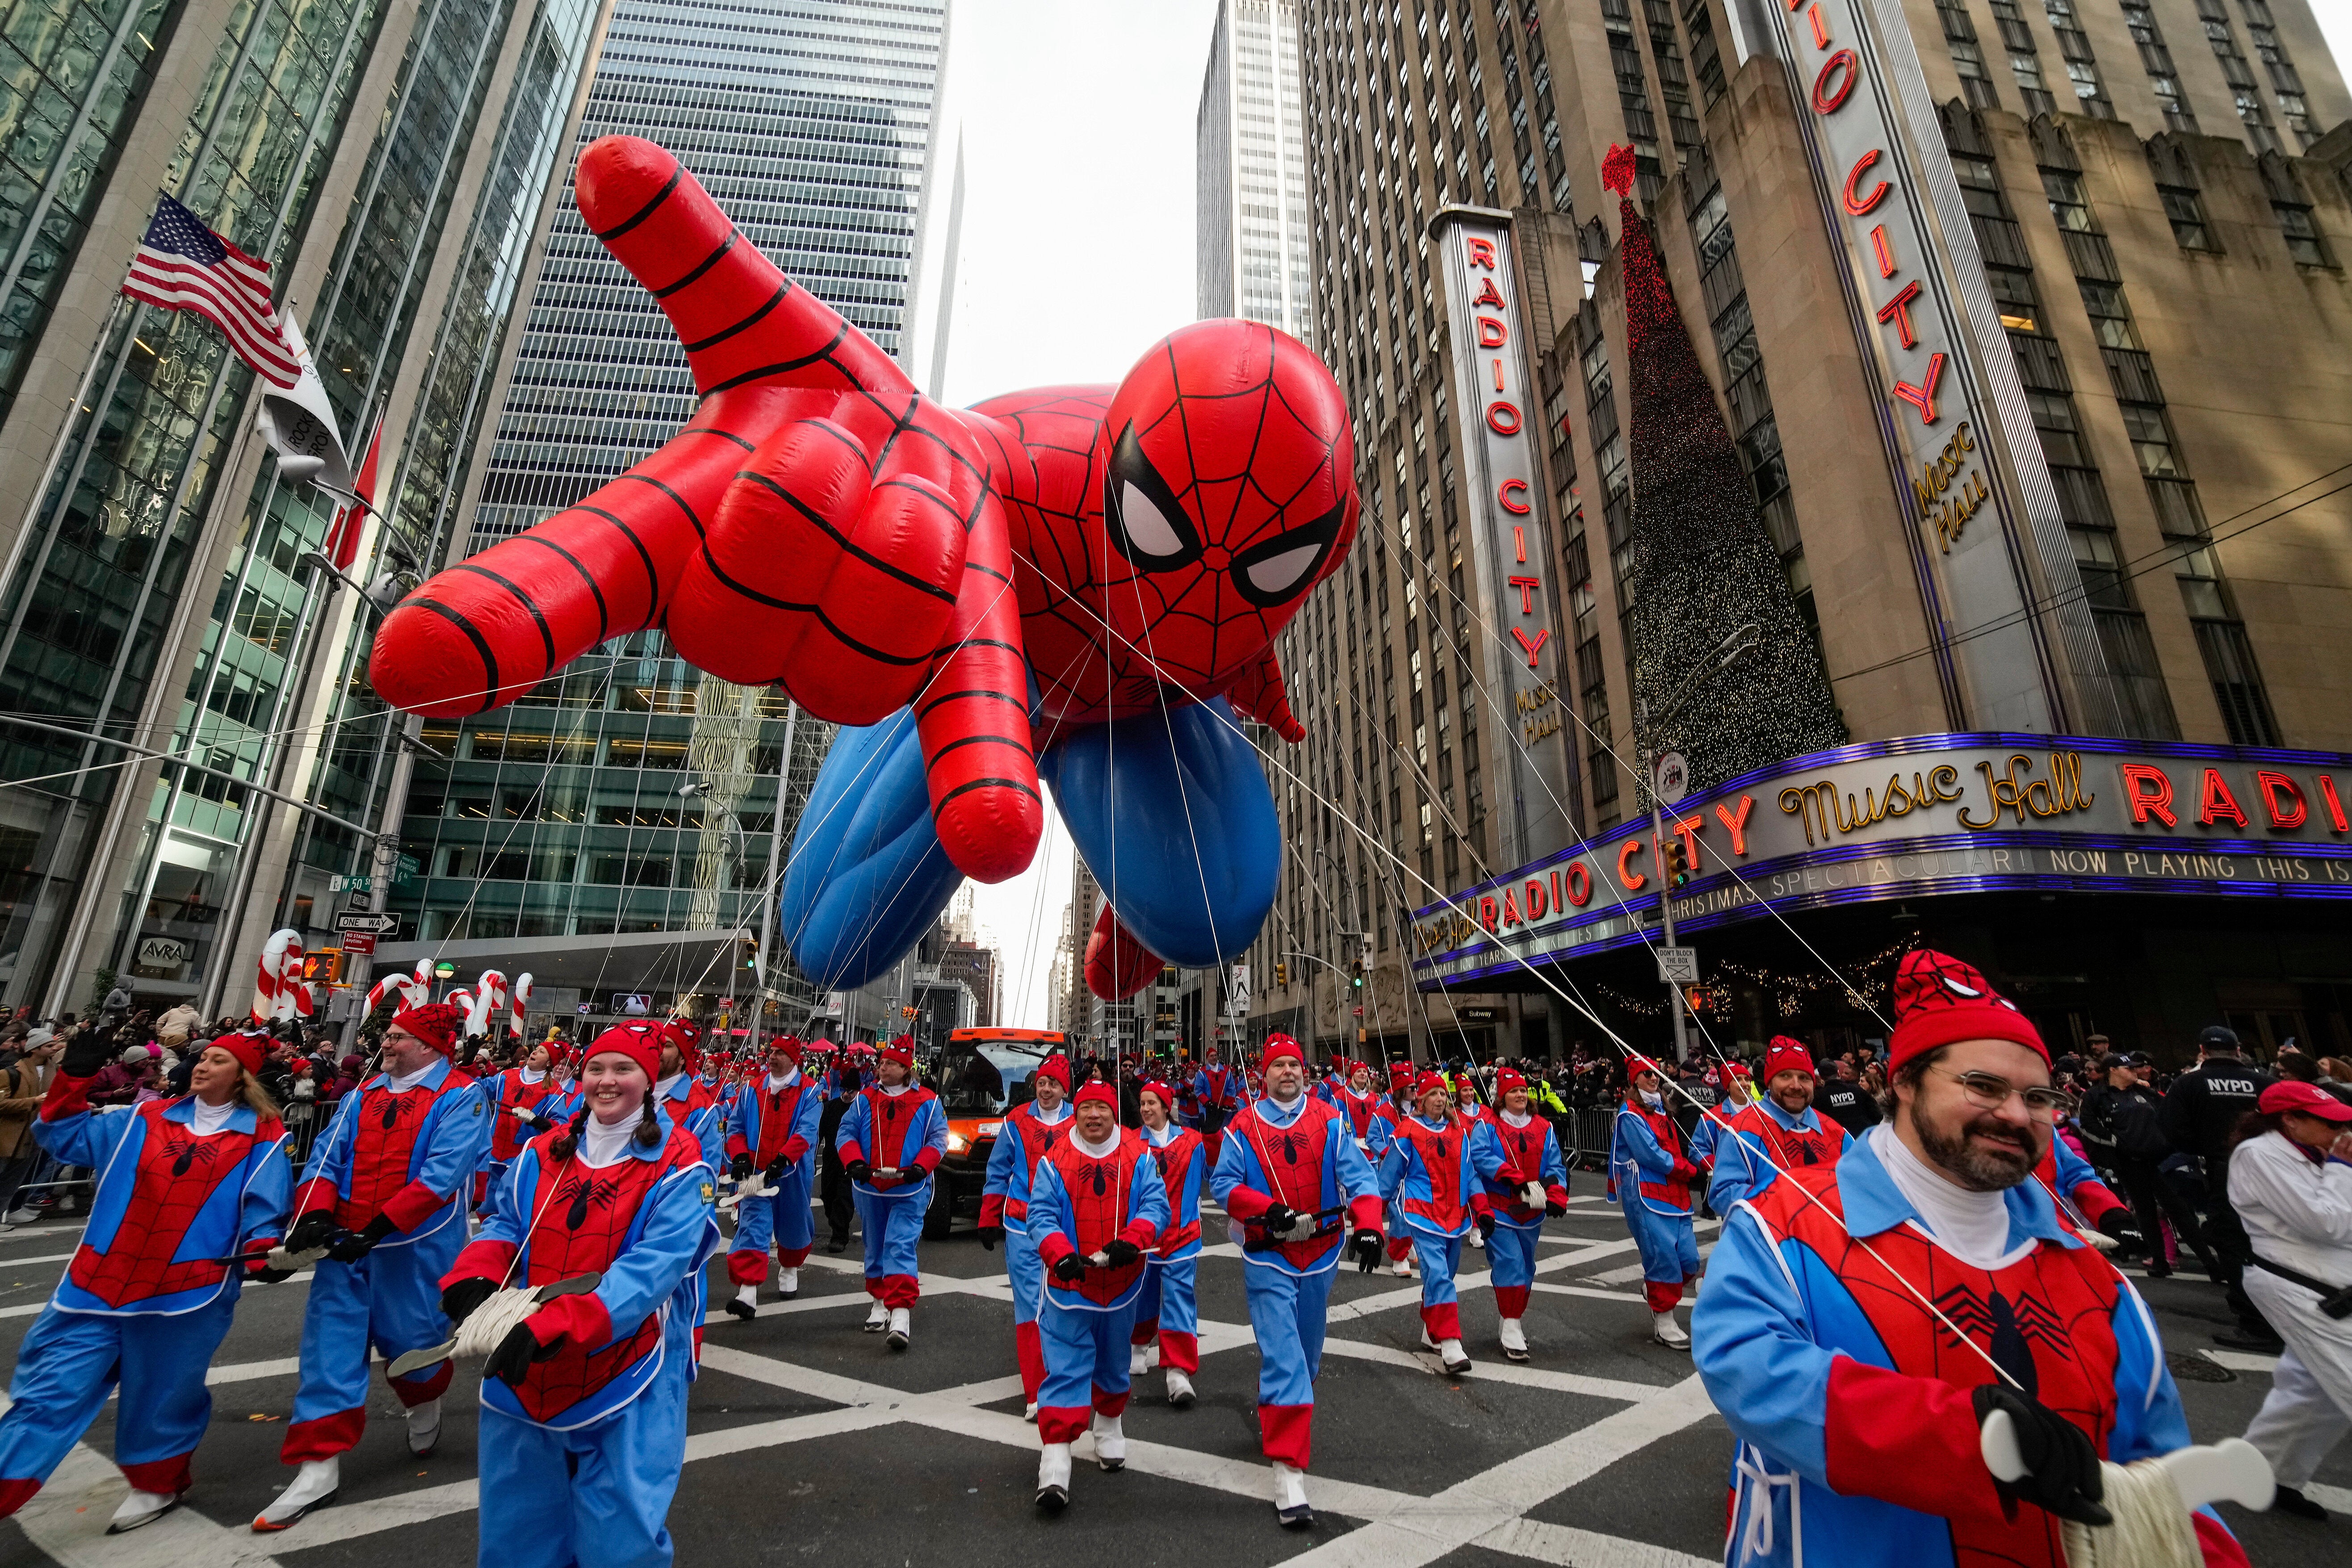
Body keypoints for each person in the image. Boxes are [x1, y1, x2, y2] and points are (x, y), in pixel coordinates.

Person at [1692, 950, 2249, 1568]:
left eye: (2036, 1095)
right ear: (1904, 1082)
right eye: (1983, 1086)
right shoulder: (1778, 1229)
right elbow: (1746, 1366)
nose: (2015, 1113)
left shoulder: (2102, 1285)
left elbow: (2164, 1482)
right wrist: (1962, 1438)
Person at [438, 1022, 718, 1568]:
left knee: (619, 1541)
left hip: (627, 1366)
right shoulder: (542, 1151)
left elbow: (655, 1267)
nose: (607, 1081)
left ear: (648, 1080)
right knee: (517, 1534)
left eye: (624, 1069)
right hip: (525, 1369)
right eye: (596, 1068)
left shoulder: (681, 1160)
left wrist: (561, 1322)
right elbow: (505, 1225)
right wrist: (474, 1277)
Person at [0, 1026, 291, 1531]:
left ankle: (158, 1482)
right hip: (99, 1283)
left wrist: (262, 1252)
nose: (202, 1065)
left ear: (242, 1077)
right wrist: (74, 1080)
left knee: (163, 1395)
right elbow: (64, 1137)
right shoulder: (141, 1117)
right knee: (49, 1392)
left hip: (189, 1291)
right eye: (203, 1057)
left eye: (218, 1060)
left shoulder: (263, 1135)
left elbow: (265, 1206)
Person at [256, 1002, 489, 1532]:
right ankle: (318, 1466)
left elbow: (442, 1176)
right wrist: (316, 1214)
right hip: (344, 1250)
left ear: (428, 1047)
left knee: (412, 1345)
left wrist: (378, 1229)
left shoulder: (462, 1095)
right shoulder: (362, 1094)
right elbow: (326, 1156)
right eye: (388, 1034)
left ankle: (425, 1401)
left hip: (415, 1250)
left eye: (398, 1036)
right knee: (329, 1349)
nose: (385, 1042)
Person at [1208, 1033, 1384, 1527]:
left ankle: (1282, 1410)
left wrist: (1369, 1225)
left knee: (1306, 1358)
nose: (1287, 1072)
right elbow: (1223, 1183)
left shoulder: (1330, 1119)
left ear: (1304, 1072)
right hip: (1269, 1256)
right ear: (1263, 1075)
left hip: (1321, 1255)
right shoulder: (1243, 1125)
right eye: (1278, 1065)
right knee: (1285, 1359)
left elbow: (1360, 1177)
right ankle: (1288, 1471)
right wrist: (1267, 1210)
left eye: (1294, 1064)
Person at [1025, 1080, 1169, 1512]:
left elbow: (1156, 1206)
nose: (1093, 1116)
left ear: (1113, 1112)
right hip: (1069, 1286)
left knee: (1113, 1360)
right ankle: (1055, 1459)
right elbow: (1040, 1215)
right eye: (1086, 1107)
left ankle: (1108, 1424)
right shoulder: (1055, 1160)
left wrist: (1134, 1238)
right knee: (1065, 1367)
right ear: (1076, 1111)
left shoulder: (1139, 1155)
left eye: (1102, 1108)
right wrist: (1058, 1253)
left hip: (1121, 1285)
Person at [2229, 1079, 2352, 1522]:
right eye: (2331, 1123)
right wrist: (2340, 1169)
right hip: (2303, 1289)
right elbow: (2324, 1223)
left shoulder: (2316, 1153)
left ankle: (2266, 1475)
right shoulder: (2259, 1155)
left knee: (2310, 1393)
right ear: (2290, 1121)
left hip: (2328, 1286)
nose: (2341, 1131)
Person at [1378, 1068, 1507, 1375]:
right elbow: (1387, 1179)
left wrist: (1482, 1210)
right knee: (1438, 1276)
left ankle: (1430, 1330)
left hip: (1456, 1218)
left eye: (1442, 1094)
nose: (1439, 1099)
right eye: (1432, 1094)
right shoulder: (1407, 1132)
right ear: (1420, 1101)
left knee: (1444, 1276)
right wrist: (1368, 1221)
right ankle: (1450, 1343)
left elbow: (1470, 1175)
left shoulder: (1459, 1132)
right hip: (1423, 1217)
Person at [2161, 1025, 2279, 1349]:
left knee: (2231, 1240)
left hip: (2224, 1169)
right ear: (2237, 1050)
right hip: (2274, 1169)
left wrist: (2206, 1149)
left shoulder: (2188, 1084)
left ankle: (2257, 1323)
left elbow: (2172, 1129)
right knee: (2273, 1240)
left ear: (2202, 1051)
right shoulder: (2265, 1083)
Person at [834, 1034, 946, 1348]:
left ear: (906, 1069)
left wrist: (922, 1167)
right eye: (882, 1063)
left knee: (900, 1245)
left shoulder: (928, 1101)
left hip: (909, 1189)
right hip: (870, 1188)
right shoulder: (864, 1099)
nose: (882, 1068)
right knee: (874, 1245)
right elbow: (846, 1132)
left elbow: (938, 1138)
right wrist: (854, 1162)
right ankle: (879, 1302)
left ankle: (900, 1314)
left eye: (890, 1064)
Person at [978, 1052, 1073, 1415]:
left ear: (1065, 1089)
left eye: (1053, 1084)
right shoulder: (1015, 1120)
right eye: (1042, 1083)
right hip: (1021, 1224)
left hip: (1065, 1228)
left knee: (1064, 1302)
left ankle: (1062, 1375)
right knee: (1030, 1307)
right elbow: (998, 1170)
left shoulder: (1080, 1120)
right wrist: (989, 1216)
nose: (1046, 1090)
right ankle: (1036, 1390)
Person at [2079, 1051, 2211, 1278]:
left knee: (2179, 1211)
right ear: (2112, 1070)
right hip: (2128, 1163)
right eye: (2129, 1068)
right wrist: (2116, 1142)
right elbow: (2087, 1125)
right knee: (2146, 1213)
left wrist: (2170, 1142)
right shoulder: (2096, 1096)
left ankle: (2210, 1264)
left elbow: (2169, 1112)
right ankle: (2160, 1261)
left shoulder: (2144, 1092)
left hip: (2159, 1160)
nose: (2135, 1071)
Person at [721, 1034, 822, 1317]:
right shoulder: (752, 1089)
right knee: (752, 1224)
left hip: (791, 1172)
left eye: (780, 1052)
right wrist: (740, 1156)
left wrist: (784, 1159)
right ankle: (747, 1291)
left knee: (794, 1223)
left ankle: (789, 1269)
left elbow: (807, 1131)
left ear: (793, 1059)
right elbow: (736, 1126)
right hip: (755, 1172)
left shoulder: (810, 1092)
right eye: (772, 1051)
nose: (772, 1056)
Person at [1611, 1054, 1703, 1349]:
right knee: (1663, 1259)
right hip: (1647, 1193)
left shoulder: (1664, 1110)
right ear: (1635, 1080)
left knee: (1689, 1260)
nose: (1653, 1078)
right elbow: (1649, 1155)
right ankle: (1664, 1320)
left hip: (1675, 1192)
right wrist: (1688, 1170)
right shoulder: (1630, 1114)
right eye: (1647, 1074)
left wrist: (1698, 1162)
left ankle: (1655, 1291)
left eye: (1656, 1073)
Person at [1483, 1066, 1568, 1363]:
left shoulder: (1543, 1127)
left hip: (1531, 1210)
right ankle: (1511, 1323)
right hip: (1498, 1209)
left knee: (1527, 1267)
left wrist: (1557, 1195)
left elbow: (1555, 1165)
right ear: (1502, 1097)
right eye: (1513, 1091)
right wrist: (1512, 1177)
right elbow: (1480, 1156)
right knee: (1510, 1262)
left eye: (1522, 1090)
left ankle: (1512, 1317)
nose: (1520, 1095)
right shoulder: (1488, 1125)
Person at [1705, 1039, 1848, 1215]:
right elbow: (1723, 1195)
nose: (1796, 1086)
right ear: (1770, 1081)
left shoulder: (1837, 1132)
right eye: (1785, 1076)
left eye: (1804, 1078)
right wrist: (1785, 1200)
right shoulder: (1740, 1132)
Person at [1132, 1077, 1206, 1405]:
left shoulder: (1193, 1141)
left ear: (1166, 1107)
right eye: (1142, 1103)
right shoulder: (1131, 1143)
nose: (1146, 1109)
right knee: (1142, 1295)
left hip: (1182, 1237)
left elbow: (1215, 1173)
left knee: (1179, 1301)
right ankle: (1138, 1346)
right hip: (1145, 1237)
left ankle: (1178, 1372)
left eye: (1152, 1103)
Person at [482, 1037, 566, 1215]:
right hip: (493, 1152)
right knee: (484, 1207)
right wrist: (469, 1065)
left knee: (509, 1211)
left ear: (549, 1063)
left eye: (542, 1052)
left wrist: (537, 1121)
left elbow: (561, 1127)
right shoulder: (507, 1076)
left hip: (521, 1158)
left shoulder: (554, 1090)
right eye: (537, 1049)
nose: (534, 1052)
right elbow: (480, 1088)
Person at [1812, 1054, 1881, 1137]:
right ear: (1838, 1073)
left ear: (1821, 1077)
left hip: (1839, 1139)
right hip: (1864, 1137)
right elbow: (1877, 1115)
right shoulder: (1857, 1090)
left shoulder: (1819, 1096)